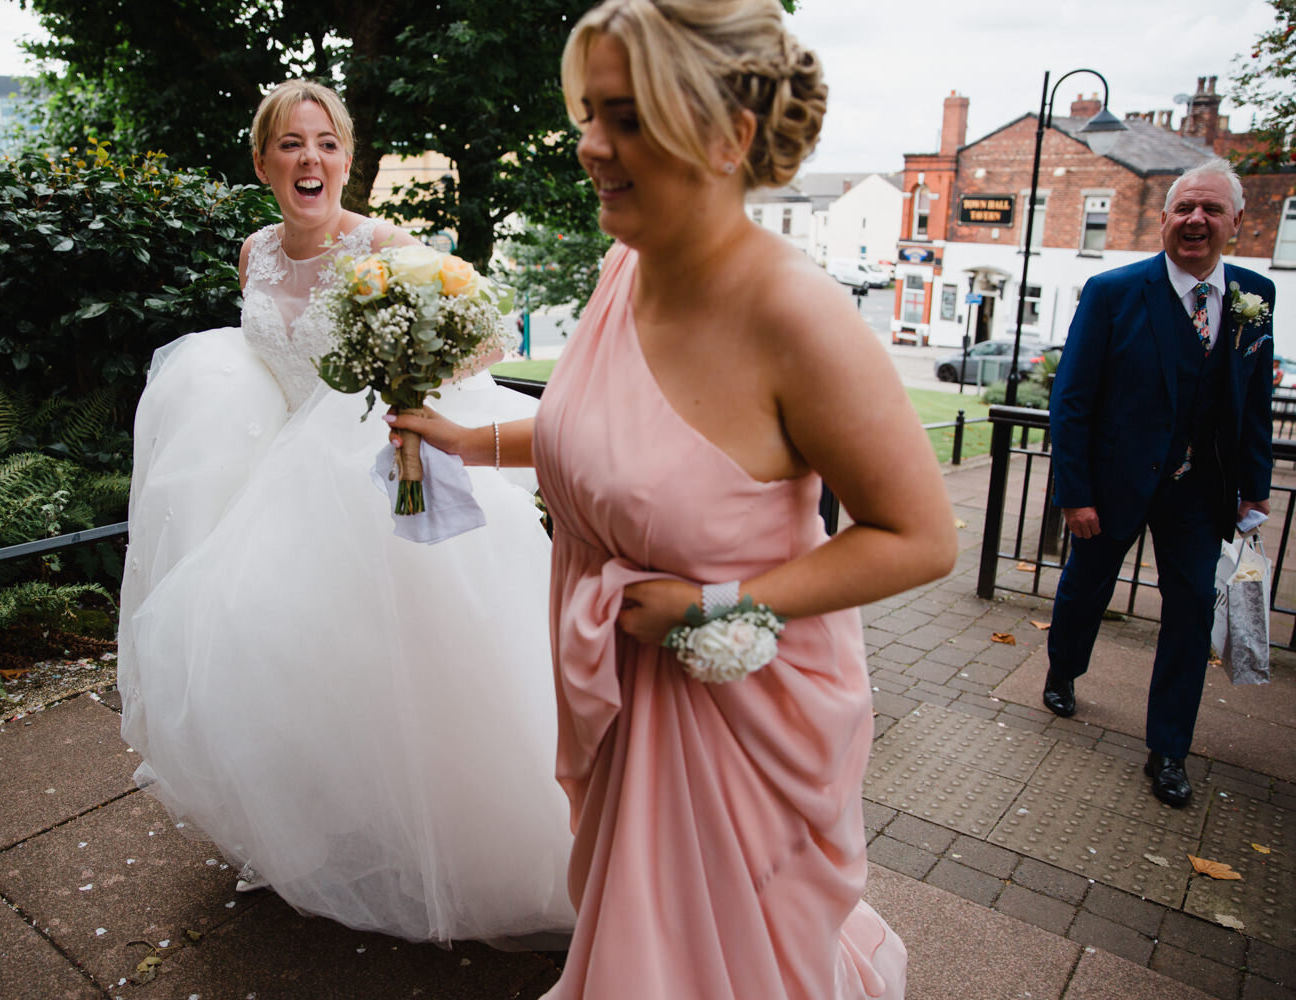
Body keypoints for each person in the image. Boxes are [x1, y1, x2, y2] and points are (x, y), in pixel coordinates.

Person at [392, 1, 956, 994]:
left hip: (738, 715)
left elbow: (921, 536)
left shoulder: (797, 316)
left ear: (727, 135)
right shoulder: (625, 267)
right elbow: (609, 438)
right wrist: (466, 439)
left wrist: (718, 607)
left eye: (626, 117)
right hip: (625, 690)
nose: (589, 146)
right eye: (590, 113)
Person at [116, 80, 575, 944]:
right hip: (274, 479)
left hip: (364, 472)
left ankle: (441, 844)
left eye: (326, 143)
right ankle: (304, 833)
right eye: (290, 145)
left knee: (405, 668)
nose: (310, 159)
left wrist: (403, 379)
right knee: (277, 655)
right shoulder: (255, 252)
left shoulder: (383, 243)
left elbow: (486, 329)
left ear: (348, 158)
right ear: (263, 162)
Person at [1043, 158, 1274, 809]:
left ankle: (1169, 749)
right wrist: (1075, 492)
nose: (1195, 220)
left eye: (1211, 210)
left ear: (1234, 221)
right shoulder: (1114, 291)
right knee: (1085, 589)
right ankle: (1063, 667)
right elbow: (1074, 399)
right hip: (1113, 485)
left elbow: (1254, 400)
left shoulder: (1255, 298)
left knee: (1190, 613)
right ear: (1167, 219)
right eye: (1184, 209)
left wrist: (1254, 487)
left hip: (1201, 495)